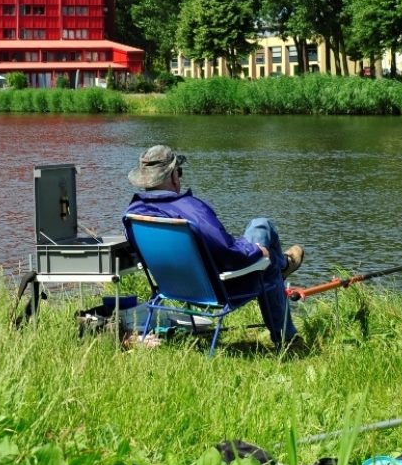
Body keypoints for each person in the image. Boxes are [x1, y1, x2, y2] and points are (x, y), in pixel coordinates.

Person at [124, 145, 305, 349]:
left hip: (171, 288)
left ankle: (283, 264)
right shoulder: (191, 210)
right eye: (179, 172)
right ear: (173, 175)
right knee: (263, 235)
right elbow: (228, 253)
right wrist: (256, 251)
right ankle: (286, 338)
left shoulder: (133, 214)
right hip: (220, 289)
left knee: (260, 231)